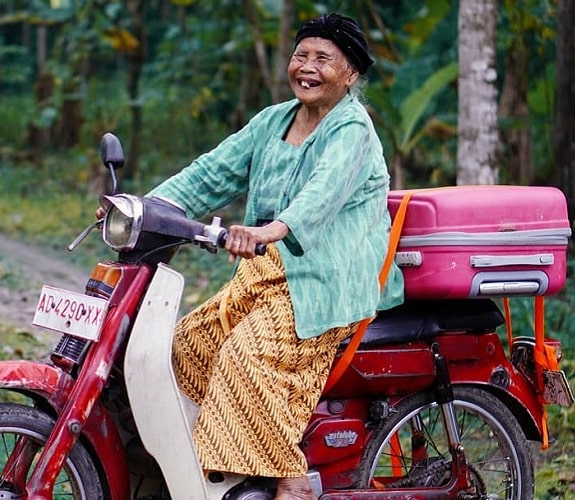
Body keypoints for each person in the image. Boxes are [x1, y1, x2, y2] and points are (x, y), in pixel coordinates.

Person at [106, 12, 404, 500]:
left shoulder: (352, 129)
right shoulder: (273, 121)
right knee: (184, 348)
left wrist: (270, 230)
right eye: (300, 55)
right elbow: (209, 174)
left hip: (328, 284)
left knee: (247, 357)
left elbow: (320, 197)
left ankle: (291, 477)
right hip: (267, 276)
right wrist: (143, 210)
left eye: (322, 59)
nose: (307, 67)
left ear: (349, 74)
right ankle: (226, 472)